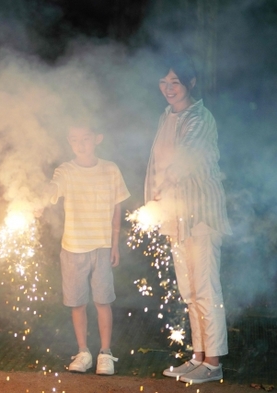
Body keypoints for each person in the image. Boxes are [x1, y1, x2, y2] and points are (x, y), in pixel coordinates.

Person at [145, 55, 231, 384]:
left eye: (175, 82)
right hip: (176, 216)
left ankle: (213, 362)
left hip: (201, 216)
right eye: (164, 82)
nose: (168, 88)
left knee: (207, 289)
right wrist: (155, 198)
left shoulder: (201, 117)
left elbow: (185, 157)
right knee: (189, 291)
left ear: (190, 83)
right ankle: (197, 356)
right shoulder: (166, 116)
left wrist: (162, 188)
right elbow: (158, 162)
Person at [41, 126, 130, 376]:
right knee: (77, 303)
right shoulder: (66, 170)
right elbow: (53, 188)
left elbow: (117, 207)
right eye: (74, 140)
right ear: (69, 142)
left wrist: (115, 244)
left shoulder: (110, 169)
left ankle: (105, 353)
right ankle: (83, 352)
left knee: (103, 300)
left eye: (86, 139)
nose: (80, 144)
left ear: (97, 139)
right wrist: (41, 197)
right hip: (73, 247)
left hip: (101, 246)